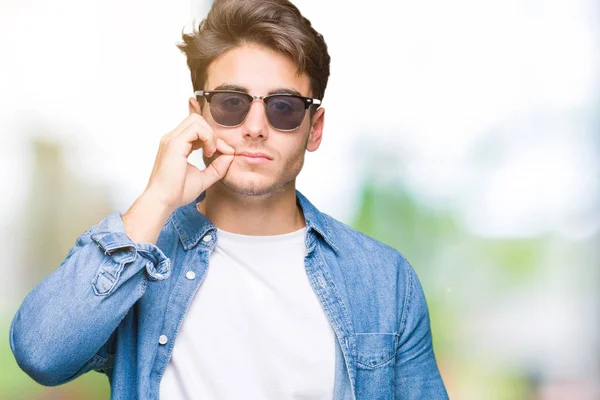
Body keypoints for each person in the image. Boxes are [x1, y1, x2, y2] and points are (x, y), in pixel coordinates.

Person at [9, 0, 449, 399]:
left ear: (314, 128)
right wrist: (158, 198)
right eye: (231, 102)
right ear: (196, 116)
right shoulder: (144, 254)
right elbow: (41, 353)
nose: (255, 126)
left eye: (283, 107)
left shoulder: (382, 280)